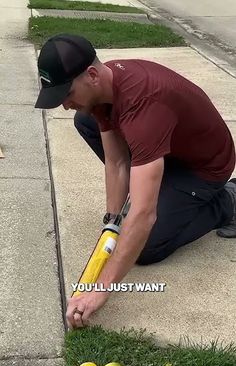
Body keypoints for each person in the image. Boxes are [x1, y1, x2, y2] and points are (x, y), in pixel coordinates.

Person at [35, 34, 236, 329]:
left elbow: (144, 215)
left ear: (91, 75)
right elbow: (116, 161)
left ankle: (227, 201)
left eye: (67, 94)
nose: (64, 105)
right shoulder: (103, 88)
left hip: (203, 167)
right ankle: (152, 179)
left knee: (146, 246)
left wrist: (101, 290)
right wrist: (112, 225)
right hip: (168, 150)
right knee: (84, 119)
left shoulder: (143, 107)